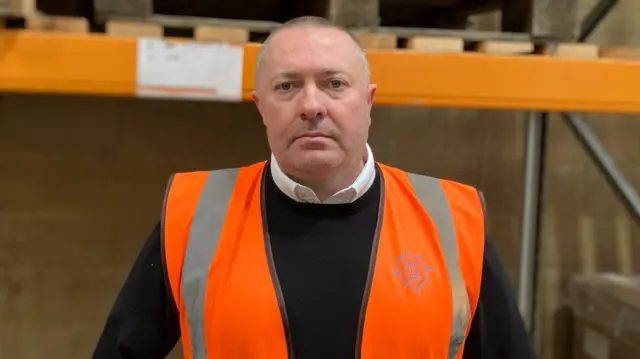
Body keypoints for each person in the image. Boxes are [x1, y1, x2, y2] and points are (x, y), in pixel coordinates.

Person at [93, 16, 536, 359]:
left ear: (369, 101)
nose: (311, 105)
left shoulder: (453, 221)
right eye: (287, 86)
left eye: (334, 84)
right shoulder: (194, 218)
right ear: (260, 106)